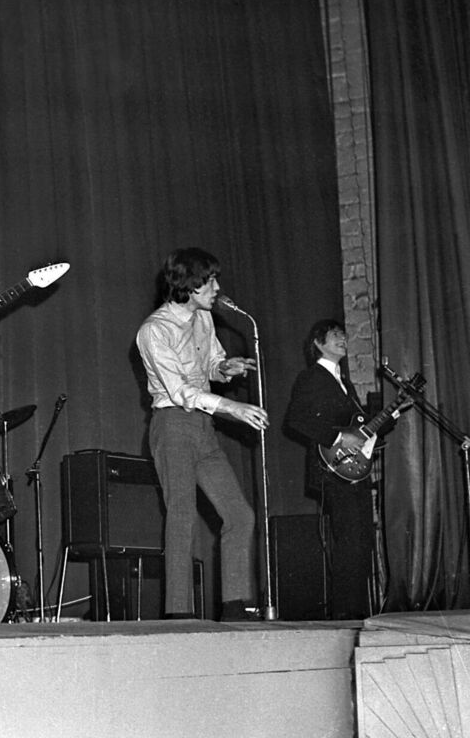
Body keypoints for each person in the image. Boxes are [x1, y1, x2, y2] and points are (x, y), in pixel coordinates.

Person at [135, 247, 267, 621]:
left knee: (240, 515)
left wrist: (226, 367)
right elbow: (179, 391)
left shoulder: (203, 318)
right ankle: (179, 613)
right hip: (173, 423)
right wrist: (233, 408)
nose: (216, 287)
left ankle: (234, 605)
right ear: (190, 285)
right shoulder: (154, 331)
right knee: (182, 514)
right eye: (210, 281)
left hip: (202, 427)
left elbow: (209, 364)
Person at [283, 319, 379, 619]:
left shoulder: (345, 383)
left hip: (353, 471)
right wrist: (338, 437)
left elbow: (357, 429)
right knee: (350, 541)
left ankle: (358, 613)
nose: (343, 339)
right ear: (318, 343)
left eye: (343, 334)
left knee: (362, 540)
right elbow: (296, 419)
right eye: (335, 335)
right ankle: (346, 616)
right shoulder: (311, 377)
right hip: (332, 471)